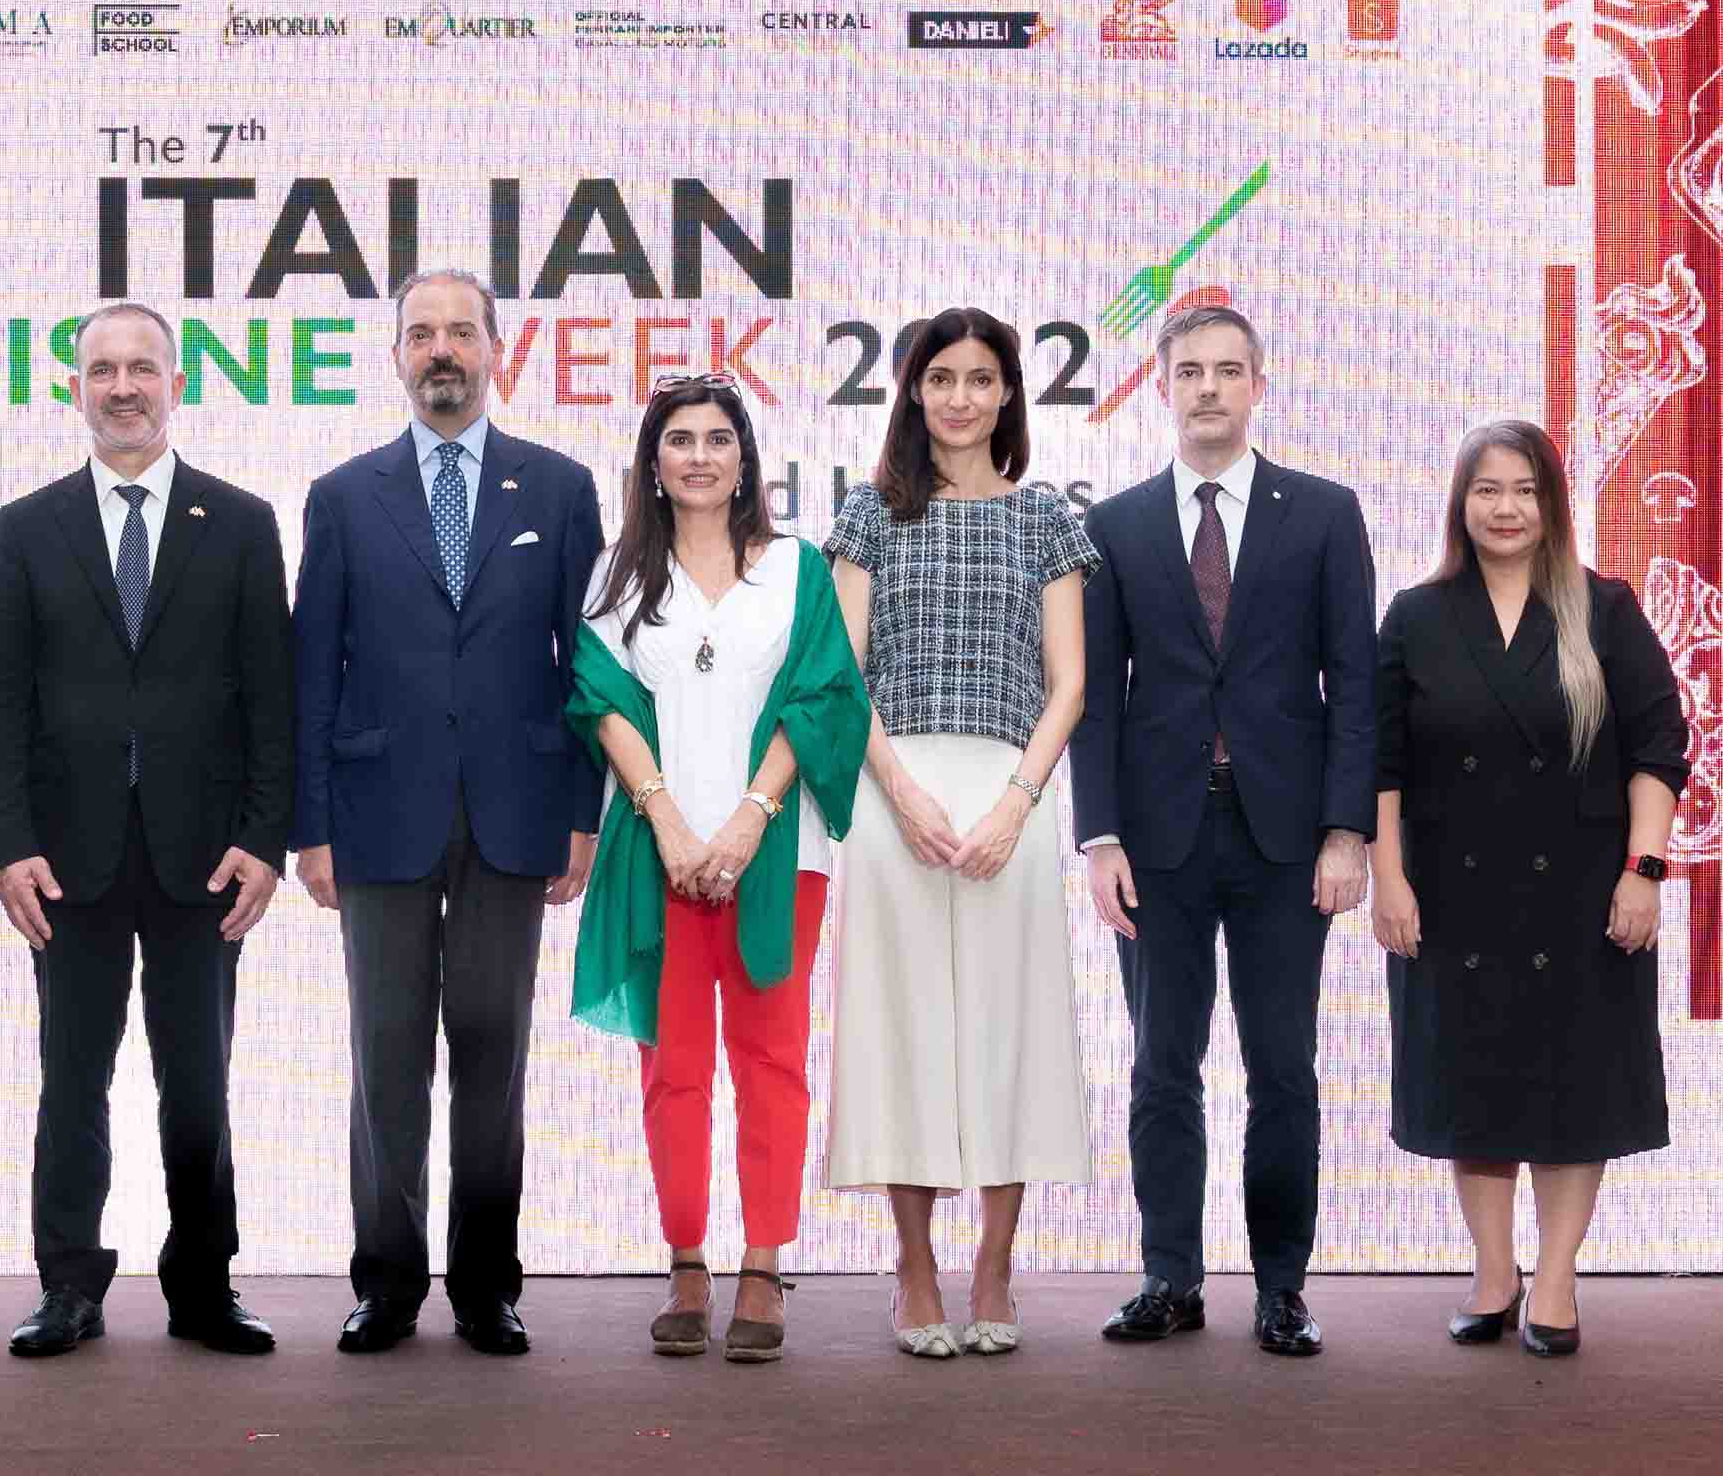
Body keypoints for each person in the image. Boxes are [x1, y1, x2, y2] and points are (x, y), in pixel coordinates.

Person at [290, 269, 602, 1357]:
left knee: (491, 1051)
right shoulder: (343, 496)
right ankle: (385, 1282)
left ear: (495, 352)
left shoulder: (558, 490)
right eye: (421, 333)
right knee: (385, 1055)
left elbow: (586, 663)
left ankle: (484, 1285)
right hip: (375, 815)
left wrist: (584, 811)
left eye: (461, 332)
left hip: (516, 813)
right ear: (395, 356)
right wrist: (310, 827)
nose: (442, 350)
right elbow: (312, 672)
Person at [0, 302, 293, 1359]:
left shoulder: (240, 521)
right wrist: (8, 844)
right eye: (103, 370)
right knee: (72, 1079)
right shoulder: (29, 525)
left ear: (176, 385)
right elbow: (4, 701)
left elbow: (271, 697)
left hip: (205, 857)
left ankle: (204, 1284)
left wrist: (265, 839)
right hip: (65, 861)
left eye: (142, 368)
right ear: (75, 388)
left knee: (197, 1082)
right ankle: (68, 1285)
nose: (123, 387)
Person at [1073, 303, 1377, 1357]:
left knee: (1283, 1068)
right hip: (1156, 840)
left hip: (1287, 839)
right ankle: (1170, 1277)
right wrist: (1099, 838)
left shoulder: (1325, 513)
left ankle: (1283, 1287)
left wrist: (1347, 831)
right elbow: (1096, 699)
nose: (1208, 387)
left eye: (1228, 370)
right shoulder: (1114, 525)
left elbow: (1355, 685)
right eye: (1190, 370)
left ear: (1259, 385)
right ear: (1162, 387)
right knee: (1162, 1066)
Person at [1369, 421, 1685, 1357]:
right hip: (1449, 894)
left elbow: (1660, 748)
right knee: (1470, 1084)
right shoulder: (1415, 616)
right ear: (1459, 505)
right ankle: (1493, 1272)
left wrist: (1644, 871)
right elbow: (1379, 763)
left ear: (1552, 503)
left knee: (1573, 1089)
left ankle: (1555, 1280)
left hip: (1584, 896)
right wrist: (1388, 879)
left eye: (1525, 490)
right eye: (1487, 490)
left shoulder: (1606, 608)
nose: (1506, 509)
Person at [569, 374, 867, 1363]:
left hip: (777, 854)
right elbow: (602, 700)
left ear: (745, 460)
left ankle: (765, 1264)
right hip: (656, 853)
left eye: (717, 439)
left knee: (773, 1059)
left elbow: (822, 698)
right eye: (679, 440)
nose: (699, 456)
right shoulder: (616, 577)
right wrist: (668, 824)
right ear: (652, 464)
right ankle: (688, 1261)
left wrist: (747, 821)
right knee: (673, 1066)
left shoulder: (796, 569)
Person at [821, 309, 1097, 1358]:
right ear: (913, 392)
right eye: (941, 379)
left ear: (1009, 393)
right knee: (905, 1031)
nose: (960, 398)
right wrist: (899, 793)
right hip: (893, 794)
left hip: (1008, 797)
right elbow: (842, 674)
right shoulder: (869, 513)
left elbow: (1069, 686)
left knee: (1005, 1028)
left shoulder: (1045, 518)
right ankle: (915, 1267)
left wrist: (1017, 802)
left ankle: (995, 1263)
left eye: (981, 379)